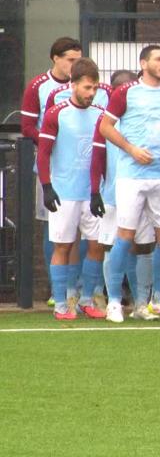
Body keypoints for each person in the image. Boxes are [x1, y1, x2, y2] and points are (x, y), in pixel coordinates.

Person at [98, 44, 160, 323]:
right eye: (158, 59)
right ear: (144, 63)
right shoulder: (125, 92)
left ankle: (157, 300)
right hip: (132, 175)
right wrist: (132, 149)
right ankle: (114, 302)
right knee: (125, 235)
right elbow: (105, 127)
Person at [37, 57, 106, 320]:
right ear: (74, 84)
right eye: (87, 87)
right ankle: (62, 302)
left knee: (97, 245)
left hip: (92, 193)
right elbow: (43, 154)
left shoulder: (100, 114)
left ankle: (87, 298)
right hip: (64, 192)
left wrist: (98, 189)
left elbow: (101, 156)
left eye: (95, 88)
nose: (91, 93)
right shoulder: (57, 113)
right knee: (63, 246)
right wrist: (47, 186)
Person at [90, 70, 157, 321]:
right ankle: (114, 302)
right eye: (120, 89)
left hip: (142, 191)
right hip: (112, 195)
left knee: (143, 247)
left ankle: (142, 304)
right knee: (112, 246)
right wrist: (95, 190)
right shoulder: (105, 122)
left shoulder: (146, 118)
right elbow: (97, 158)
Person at [20, 36, 83, 308]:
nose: (74, 65)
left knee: (81, 229)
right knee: (52, 227)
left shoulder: (85, 85)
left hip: (81, 167)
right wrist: (50, 141)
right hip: (50, 166)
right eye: (71, 59)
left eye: (78, 59)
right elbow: (27, 126)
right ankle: (56, 289)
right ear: (55, 58)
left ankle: (76, 289)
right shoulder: (38, 86)